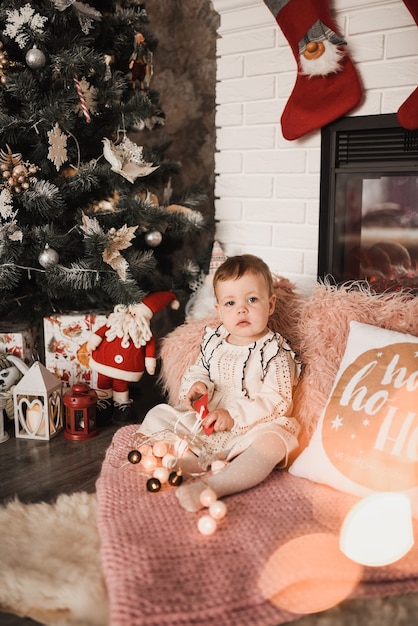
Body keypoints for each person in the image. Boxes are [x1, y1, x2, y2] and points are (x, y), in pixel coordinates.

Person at [138, 254, 301, 512]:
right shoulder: (215, 342)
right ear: (219, 310)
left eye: (252, 299)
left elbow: (277, 401)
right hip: (210, 422)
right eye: (230, 302)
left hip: (251, 425)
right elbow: (199, 370)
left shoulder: (275, 352)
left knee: (274, 442)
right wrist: (196, 387)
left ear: (270, 305)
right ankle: (190, 461)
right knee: (160, 415)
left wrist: (234, 416)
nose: (241, 309)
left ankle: (216, 486)